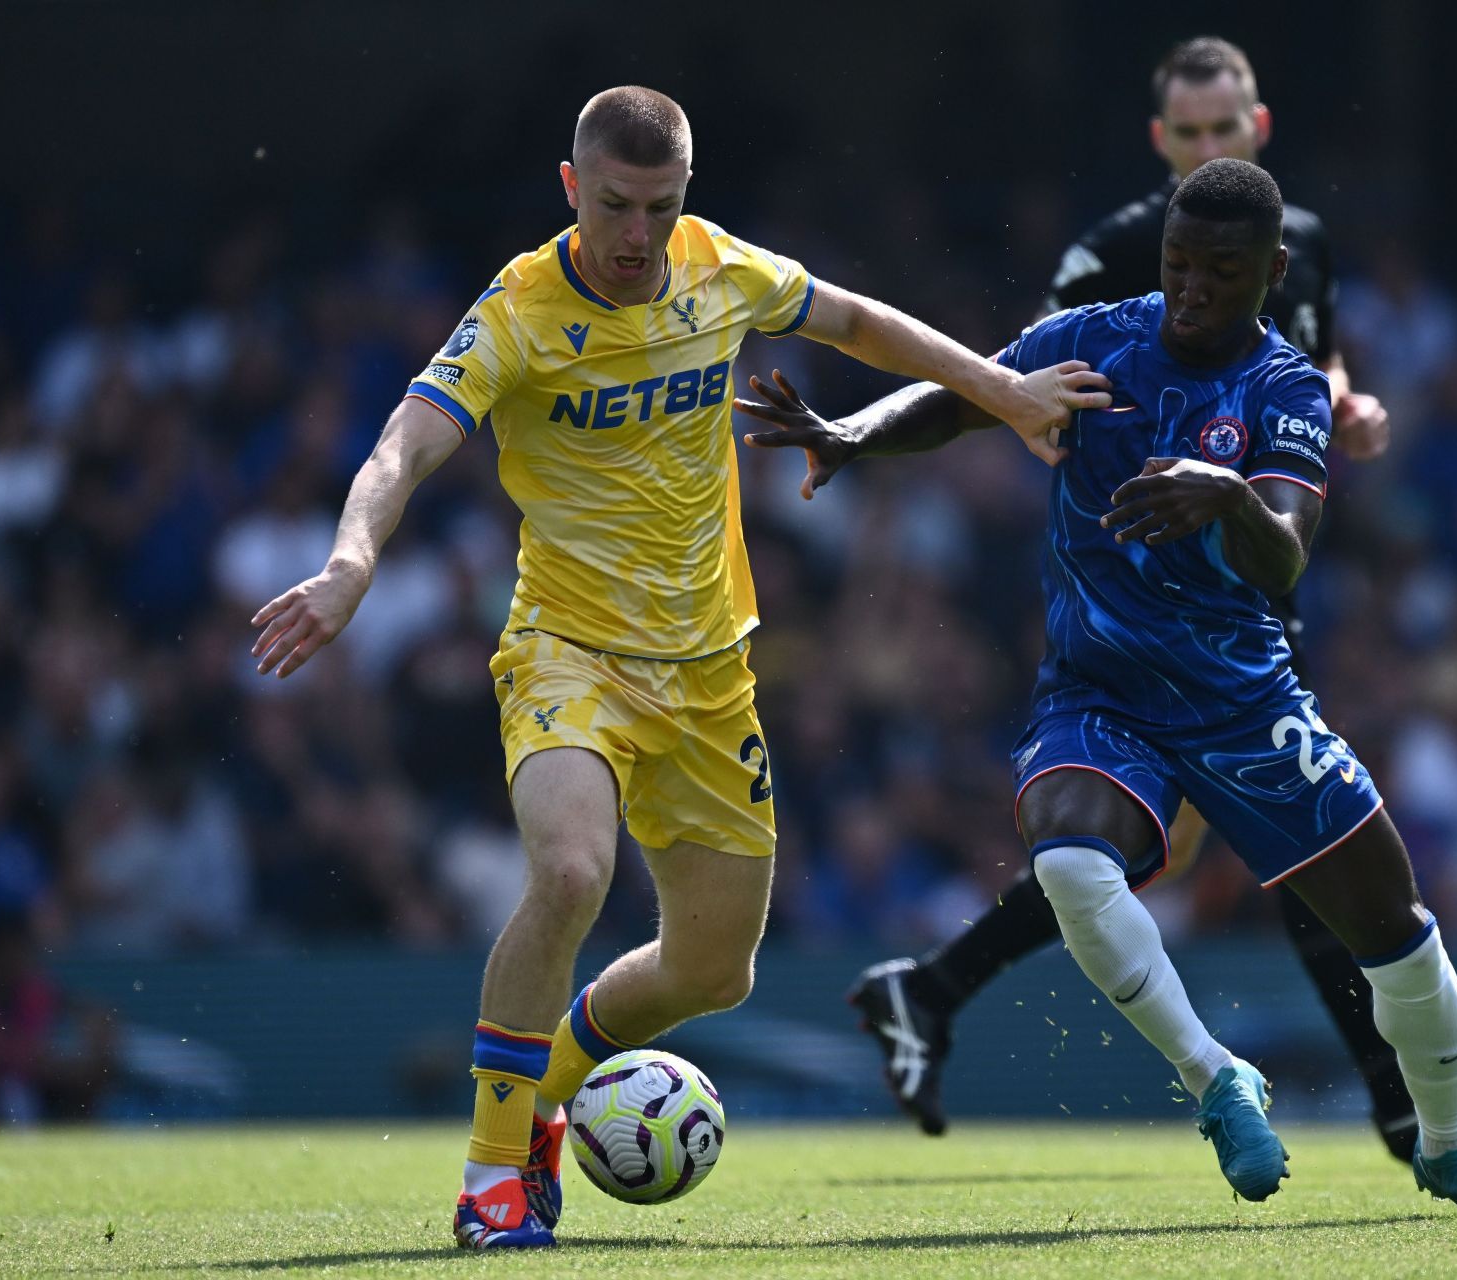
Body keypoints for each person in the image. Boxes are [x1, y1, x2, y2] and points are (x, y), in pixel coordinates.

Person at [248, 86, 1108, 1250]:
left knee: (715, 970)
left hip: (710, 669)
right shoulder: (519, 308)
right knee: (569, 872)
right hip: (568, 654)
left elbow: (856, 321)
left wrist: (1004, 393)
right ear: (572, 188)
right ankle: (493, 1175)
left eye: (659, 205)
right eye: (613, 204)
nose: (637, 232)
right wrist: (351, 563)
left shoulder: (719, 269)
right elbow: (405, 440)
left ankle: (548, 1092)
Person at [740, 158, 1457, 1217]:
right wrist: (858, 431)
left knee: (1396, 931)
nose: (1194, 286)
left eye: (1221, 269)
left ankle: (1449, 1144)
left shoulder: (1285, 387)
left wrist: (1223, 494)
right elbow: (970, 395)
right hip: (1101, 697)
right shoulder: (1095, 338)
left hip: (1246, 703)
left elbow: (1285, 558)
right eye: (1178, 262)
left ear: (1275, 269)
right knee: (1070, 859)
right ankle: (1217, 1076)